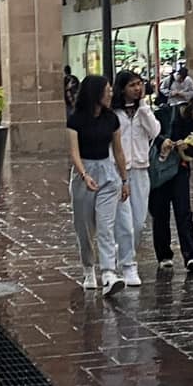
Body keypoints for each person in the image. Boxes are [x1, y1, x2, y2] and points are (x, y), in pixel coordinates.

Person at [67, 74, 131, 295]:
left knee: (105, 227)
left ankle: (109, 273)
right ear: (96, 93)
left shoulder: (111, 119)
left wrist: (124, 180)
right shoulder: (75, 120)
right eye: (107, 89)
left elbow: (119, 151)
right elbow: (74, 153)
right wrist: (84, 175)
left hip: (108, 174)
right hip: (84, 174)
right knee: (84, 229)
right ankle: (88, 268)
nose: (111, 93)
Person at [112, 70, 168, 288]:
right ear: (122, 88)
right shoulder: (114, 112)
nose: (137, 88)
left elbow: (154, 131)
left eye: (139, 84)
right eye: (132, 85)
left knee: (138, 222)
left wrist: (144, 106)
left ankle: (123, 251)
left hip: (141, 168)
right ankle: (128, 264)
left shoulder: (143, 110)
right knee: (124, 221)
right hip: (120, 171)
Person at [151, 90, 193, 273]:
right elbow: (151, 134)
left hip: (180, 170)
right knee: (160, 212)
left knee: (183, 211)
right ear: (192, 107)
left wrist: (190, 147)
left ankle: (191, 256)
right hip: (160, 170)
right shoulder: (166, 113)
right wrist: (165, 141)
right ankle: (164, 255)